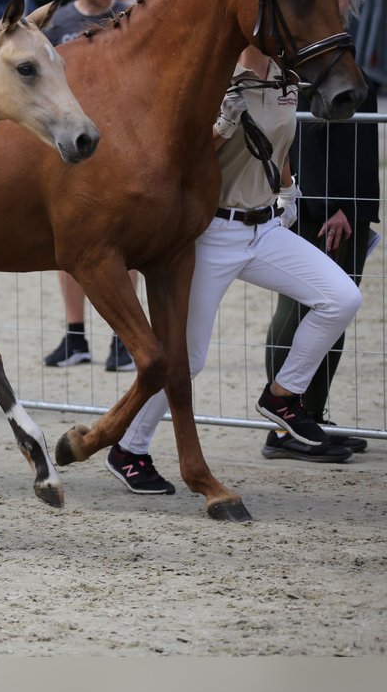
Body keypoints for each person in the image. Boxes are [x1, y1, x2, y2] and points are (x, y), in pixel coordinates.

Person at [107, 43, 364, 494]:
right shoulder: (218, 76)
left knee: (342, 298)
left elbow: (277, 141)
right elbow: (179, 159)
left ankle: (283, 396)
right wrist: (223, 124)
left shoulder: (286, 78)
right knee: (189, 356)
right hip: (212, 232)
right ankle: (129, 447)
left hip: (265, 228)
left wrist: (287, 190)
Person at [264, 0, 378, 457]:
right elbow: (302, 138)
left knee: (335, 315)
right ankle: (285, 423)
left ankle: (311, 416)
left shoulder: (343, 46)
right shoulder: (304, 52)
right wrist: (327, 203)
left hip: (352, 205)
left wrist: (353, 207)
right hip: (321, 207)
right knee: (299, 311)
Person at [41, 0, 139, 372]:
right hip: (70, 148)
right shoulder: (57, 23)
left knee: (128, 245)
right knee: (67, 247)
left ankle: (124, 339)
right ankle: (75, 336)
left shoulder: (128, 17)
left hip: (120, 146)